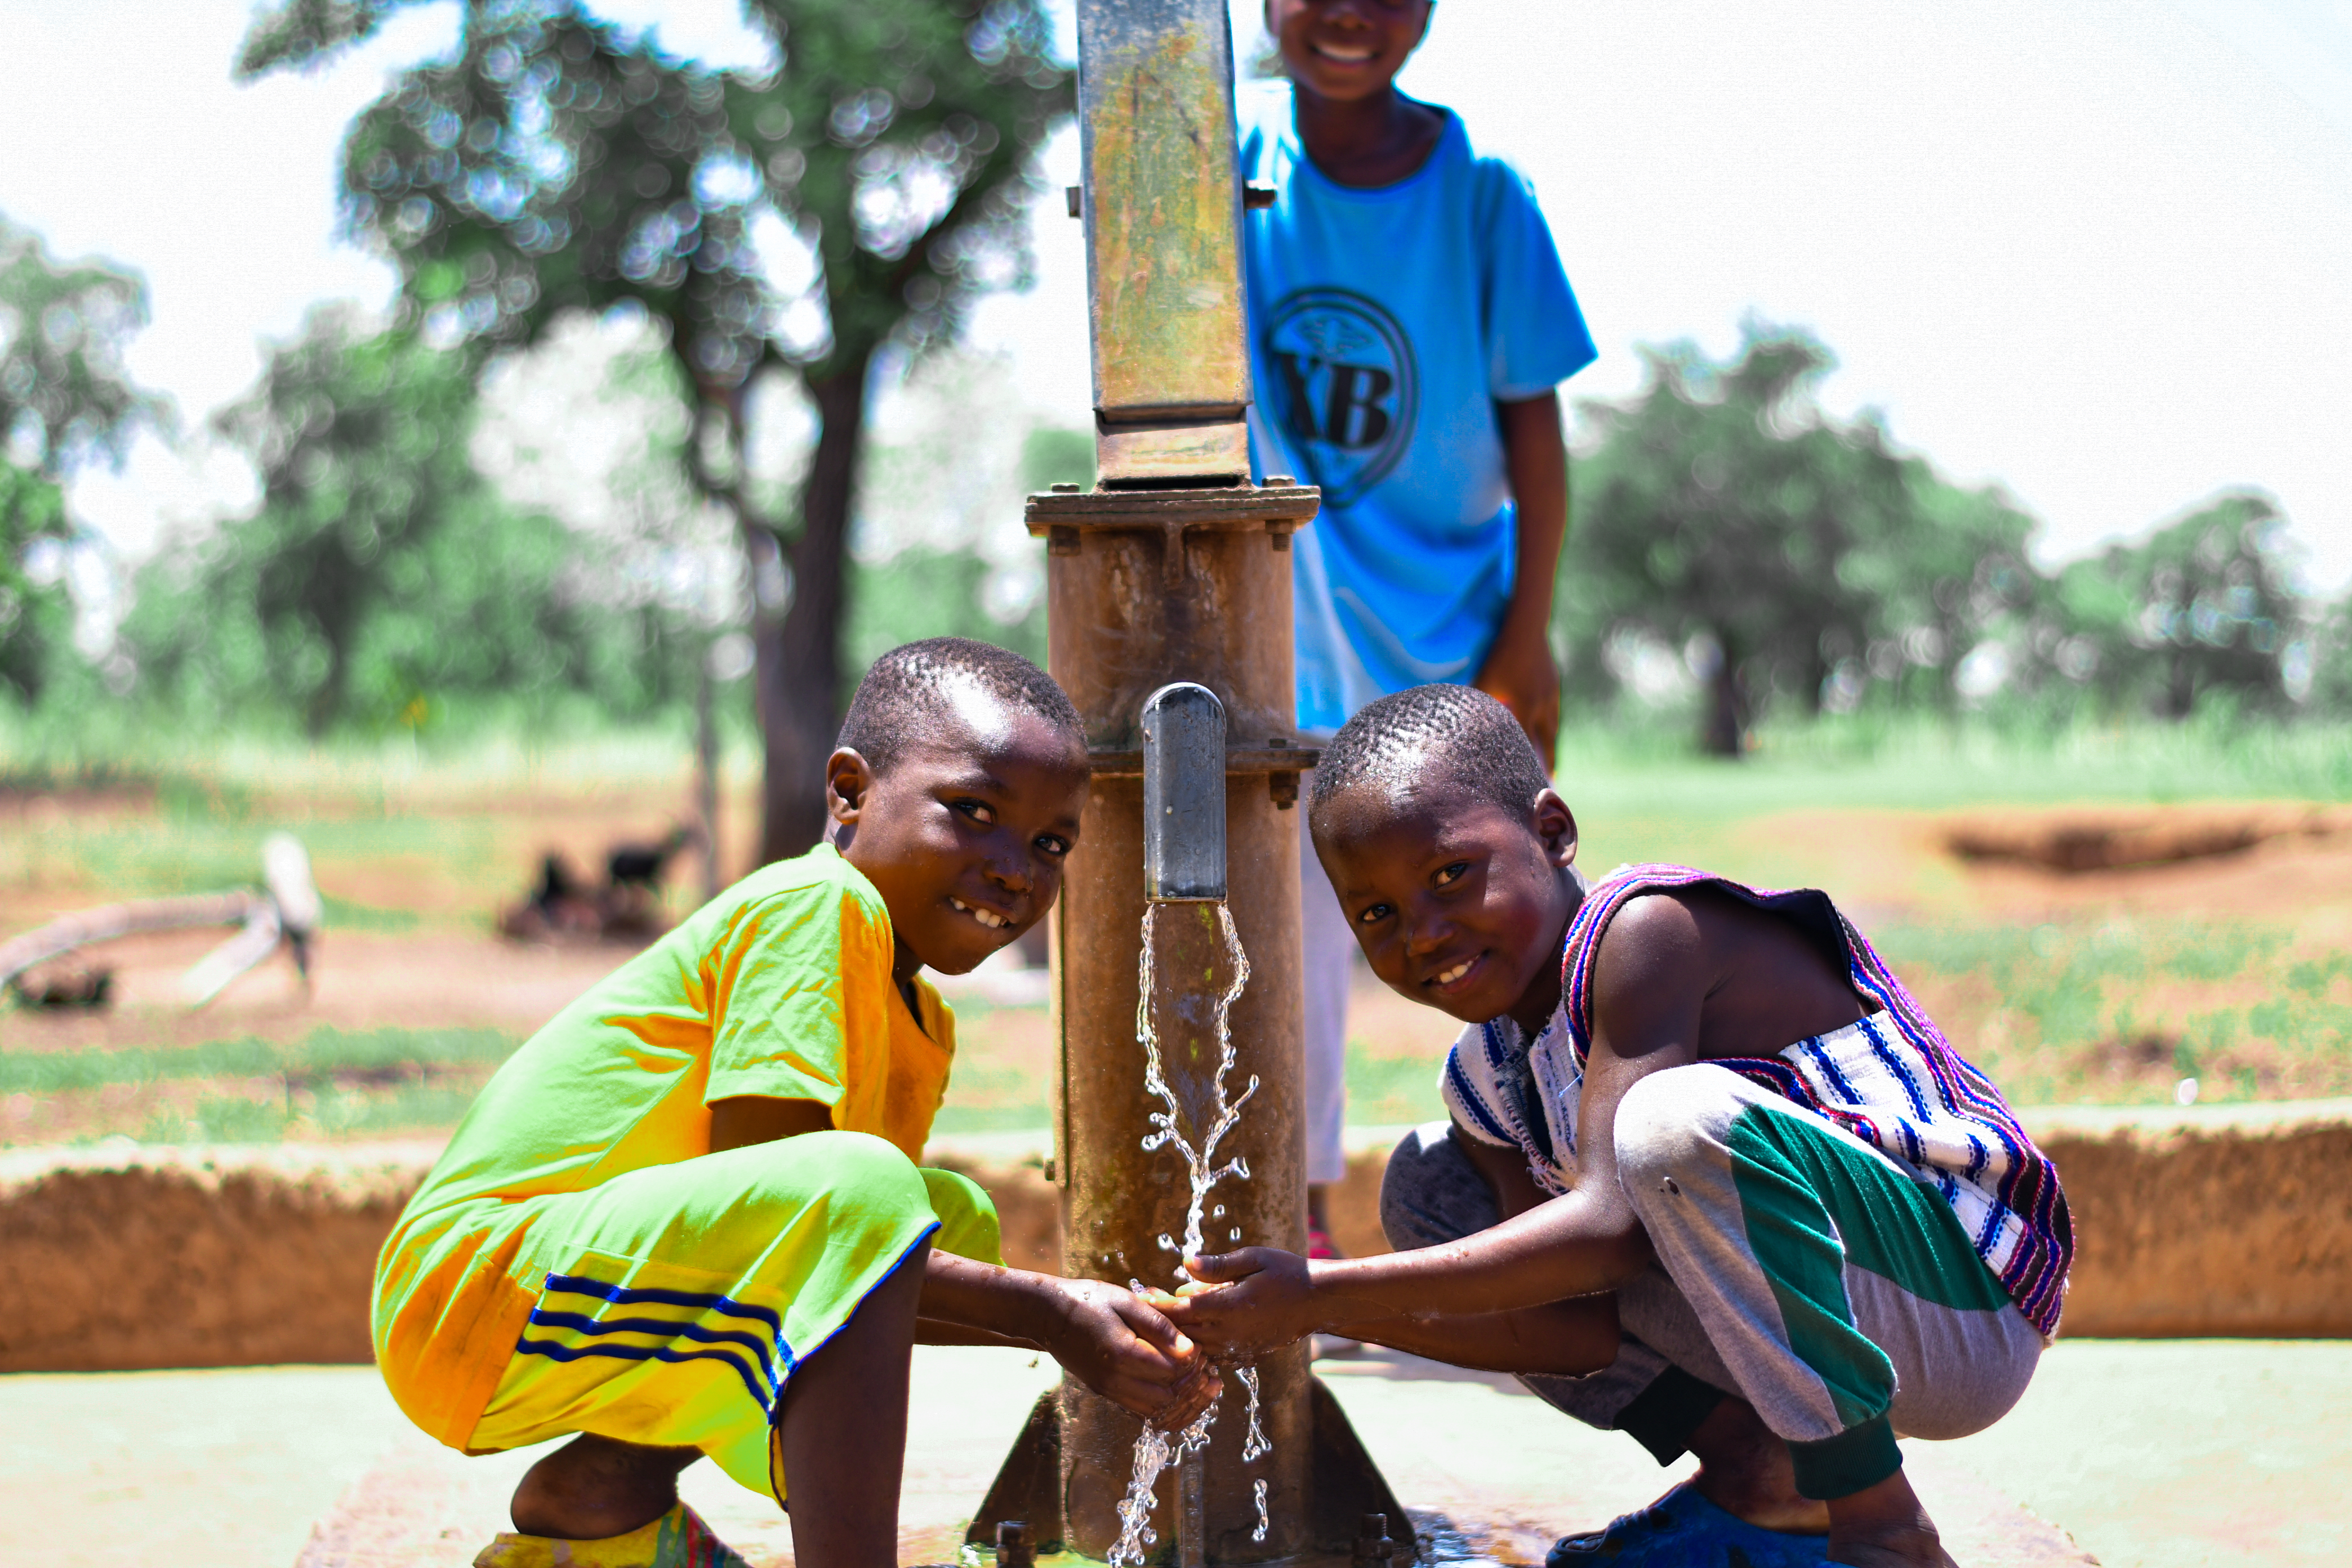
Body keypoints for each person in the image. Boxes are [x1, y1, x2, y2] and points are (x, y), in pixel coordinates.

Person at [1161, 685, 2072, 1568]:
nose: (1425, 932)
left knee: (1669, 1126)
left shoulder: (1645, 934)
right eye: (1379, 914)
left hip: (1960, 1300)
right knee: (1431, 1190)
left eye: (1450, 875)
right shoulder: (1488, 1081)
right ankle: (1766, 1480)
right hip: (1821, 1316)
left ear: (1553, 833)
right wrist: (1321, 1316)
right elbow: (1565, 1320)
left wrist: (1322, 1294)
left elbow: (1606, 1229)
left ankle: (1882, 1525)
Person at [373, 639, 1219, 1568]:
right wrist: (1049, 1314)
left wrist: (1073, 1317)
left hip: (562, 1293)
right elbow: (799, 1210)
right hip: (476, 1289)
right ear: (849, 794)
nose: (1016, 869)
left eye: (1049, 845)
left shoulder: (921, 1017)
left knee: (947, 1218)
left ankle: (606, 1487)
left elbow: (840, 1260)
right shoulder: (817, 908)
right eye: (974, 813)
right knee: (864, 1194)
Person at [1239, 0, 1598, 1252]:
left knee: (1515, 937)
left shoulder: (1483, 196)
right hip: (1281, 642)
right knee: (1284, 963)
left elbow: (1537, 434)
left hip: (1453, 641)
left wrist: (1529, 629)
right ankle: (1300, 1229)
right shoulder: (1217, 178)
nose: (1348, 15)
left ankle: (1566, 1221)